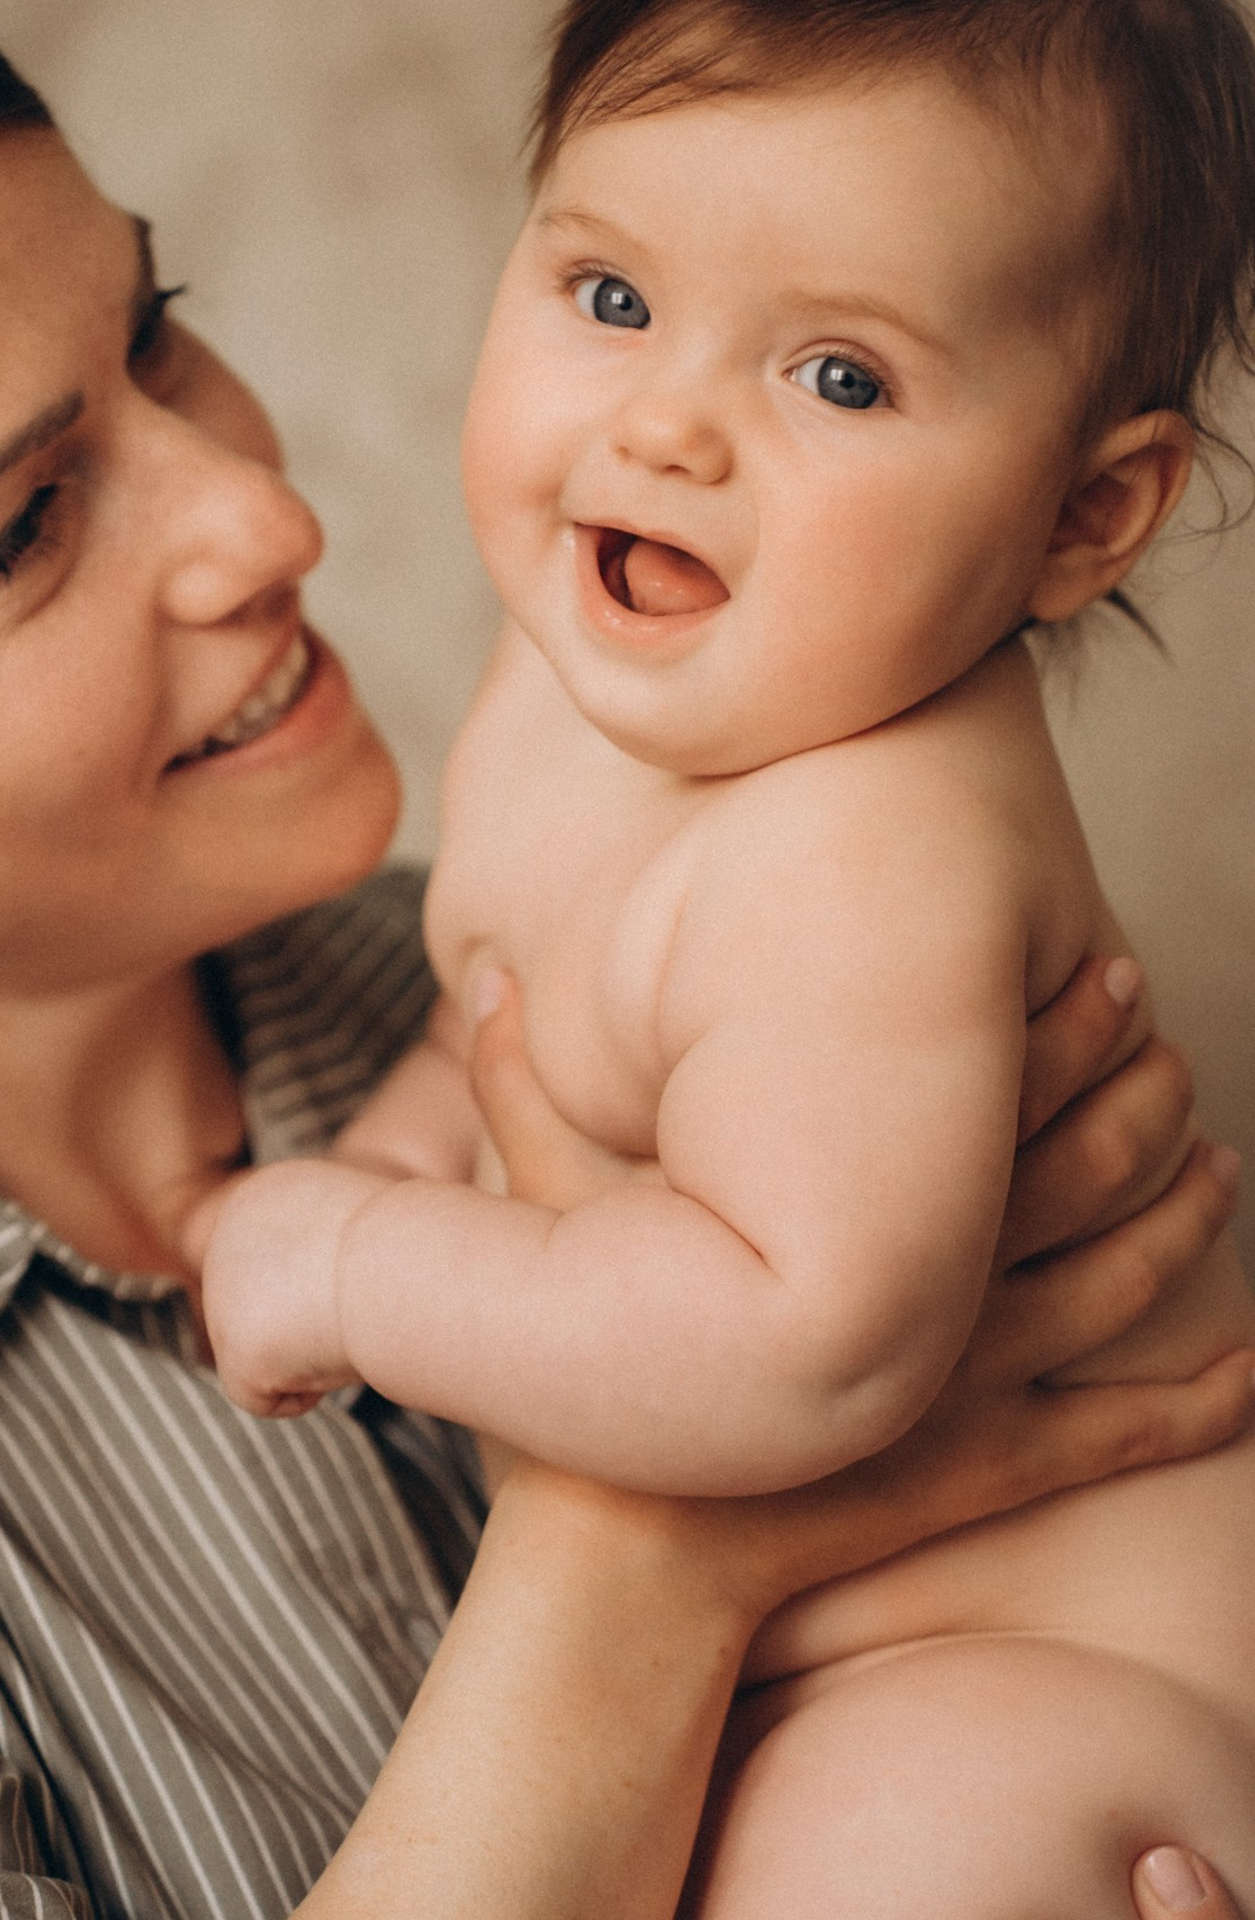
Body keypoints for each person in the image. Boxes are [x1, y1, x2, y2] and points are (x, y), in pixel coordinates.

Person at [0, 0, 1248, 1915]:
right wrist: (652, 1549)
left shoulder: (601, 924)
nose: (270, 515)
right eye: (21, 534)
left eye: (155, 328)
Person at [195, 0, 1255, 1910]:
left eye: (838, 378)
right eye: (609, 297)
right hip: (761, 1653)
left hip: (1037, 1682)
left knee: (877, 1849)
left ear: (1086, 517)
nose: (665, 424)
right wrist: (408, 1138)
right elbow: (530, 1005)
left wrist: (358, 1258)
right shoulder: (600, 679)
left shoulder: (878, 855)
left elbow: (802, 1336)